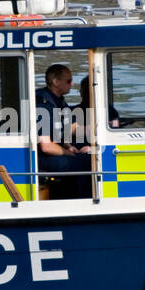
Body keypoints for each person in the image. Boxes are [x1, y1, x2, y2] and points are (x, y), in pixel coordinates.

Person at [36, 64, 91, 198]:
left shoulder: (59, 101)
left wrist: (99, 130)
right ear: (55, 82)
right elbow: (46, 146)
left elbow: (72, 127)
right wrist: (69, 154)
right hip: (41, 157)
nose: (72, 84)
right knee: (87, 162)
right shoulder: (43, 104)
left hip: (55, 149)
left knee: (92, 155)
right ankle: (85, 203)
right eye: (68, 81)